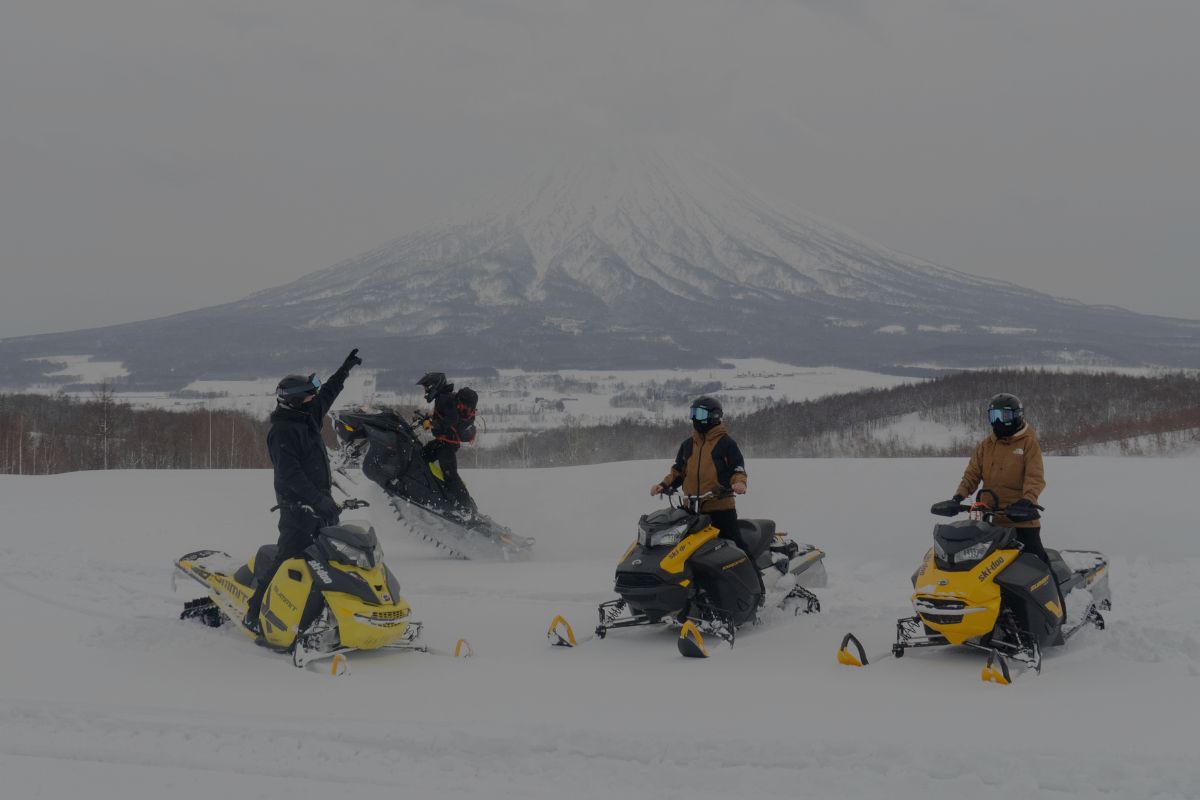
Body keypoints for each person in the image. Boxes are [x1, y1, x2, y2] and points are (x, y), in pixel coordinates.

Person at [243, 348, 362, 635]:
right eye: (309, 395)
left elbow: (328, 394)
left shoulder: (307, 416)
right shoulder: (283, 431)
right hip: (297, 509)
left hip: (321, 505)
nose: (314, 400)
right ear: (295, 401)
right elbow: (290, 475)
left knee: (334, 561)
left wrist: (345, 369)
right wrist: (318, 500)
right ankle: (255, 612)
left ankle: (332, 614)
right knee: (289, 556)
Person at [950, 392, 1049, 564]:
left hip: (1020, 519)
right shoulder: (986, 445)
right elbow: (971, 475)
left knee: (1037, 562)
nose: (997, 422)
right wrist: (958, 497)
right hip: (990, 519)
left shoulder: (1028, 443)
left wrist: (1027, 500)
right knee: (979, 565)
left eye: (1003, 416)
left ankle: (1059, 591)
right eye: (993, 416)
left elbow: (1035, 477)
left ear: (1016, 416)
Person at [650, 396, 749, 549]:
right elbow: (678, 471)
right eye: (693, 413)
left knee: (736, 546)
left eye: (700, 414)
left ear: (713, 416)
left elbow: (737, 469)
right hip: (690, 511)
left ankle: (754, 572)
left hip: (720, 508)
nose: (695, 418)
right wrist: (663, 485)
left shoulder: (726, 444)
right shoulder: (688, 445)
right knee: (683, 550)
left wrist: (739, 483)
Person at [416, 371, 477, 517]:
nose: (426, 391)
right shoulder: (444, 398)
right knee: (421, 457)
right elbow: (446, 416)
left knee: (450, 475)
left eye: (427, 387)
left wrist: (430, 423)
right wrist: (429, 418)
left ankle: (465, 506)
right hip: (442, 442)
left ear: (435, 385)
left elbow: (451, 421)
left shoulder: (445, 398)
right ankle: (438, 493)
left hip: (447, 444)